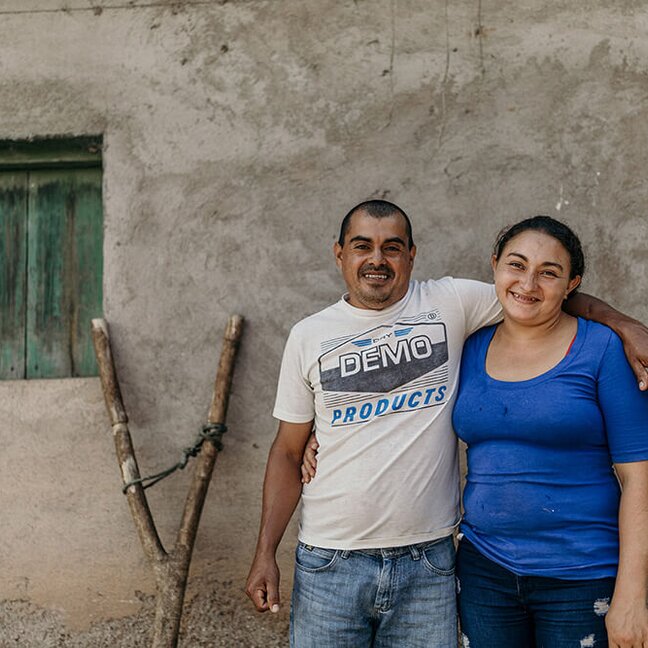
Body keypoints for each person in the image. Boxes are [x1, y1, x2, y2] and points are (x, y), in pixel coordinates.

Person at [246, 200, 648, 648]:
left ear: (412, 255)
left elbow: (545, 294)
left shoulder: (452, 303)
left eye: (392, 248)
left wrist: (624, 324)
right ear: (339, 253)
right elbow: (286, 449)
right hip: (336, 558)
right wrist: (266, 551)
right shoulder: (310, 335)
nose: (377, 259)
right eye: (363, 246)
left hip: (432, 561)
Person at [452, 216, 648, 648]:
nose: (528, 283)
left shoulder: (602, 350)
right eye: (517, 265)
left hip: (582, 576)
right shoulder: (467, 345)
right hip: (484, 570)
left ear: (572, 283)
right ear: (495, 267)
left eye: (549, 272)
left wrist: (632, 597)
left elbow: (640, 478)